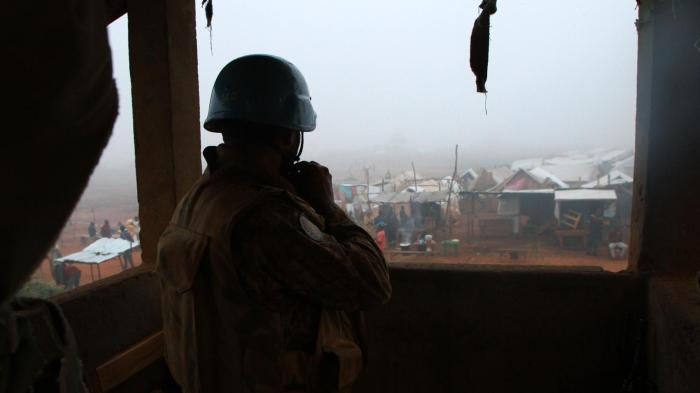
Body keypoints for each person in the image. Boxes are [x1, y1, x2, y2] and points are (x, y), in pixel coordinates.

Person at [157, 55, 392, 393]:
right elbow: (373, 282)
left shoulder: (198, 201)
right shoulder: (265, 218)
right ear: (285, 138)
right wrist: (326, 206)